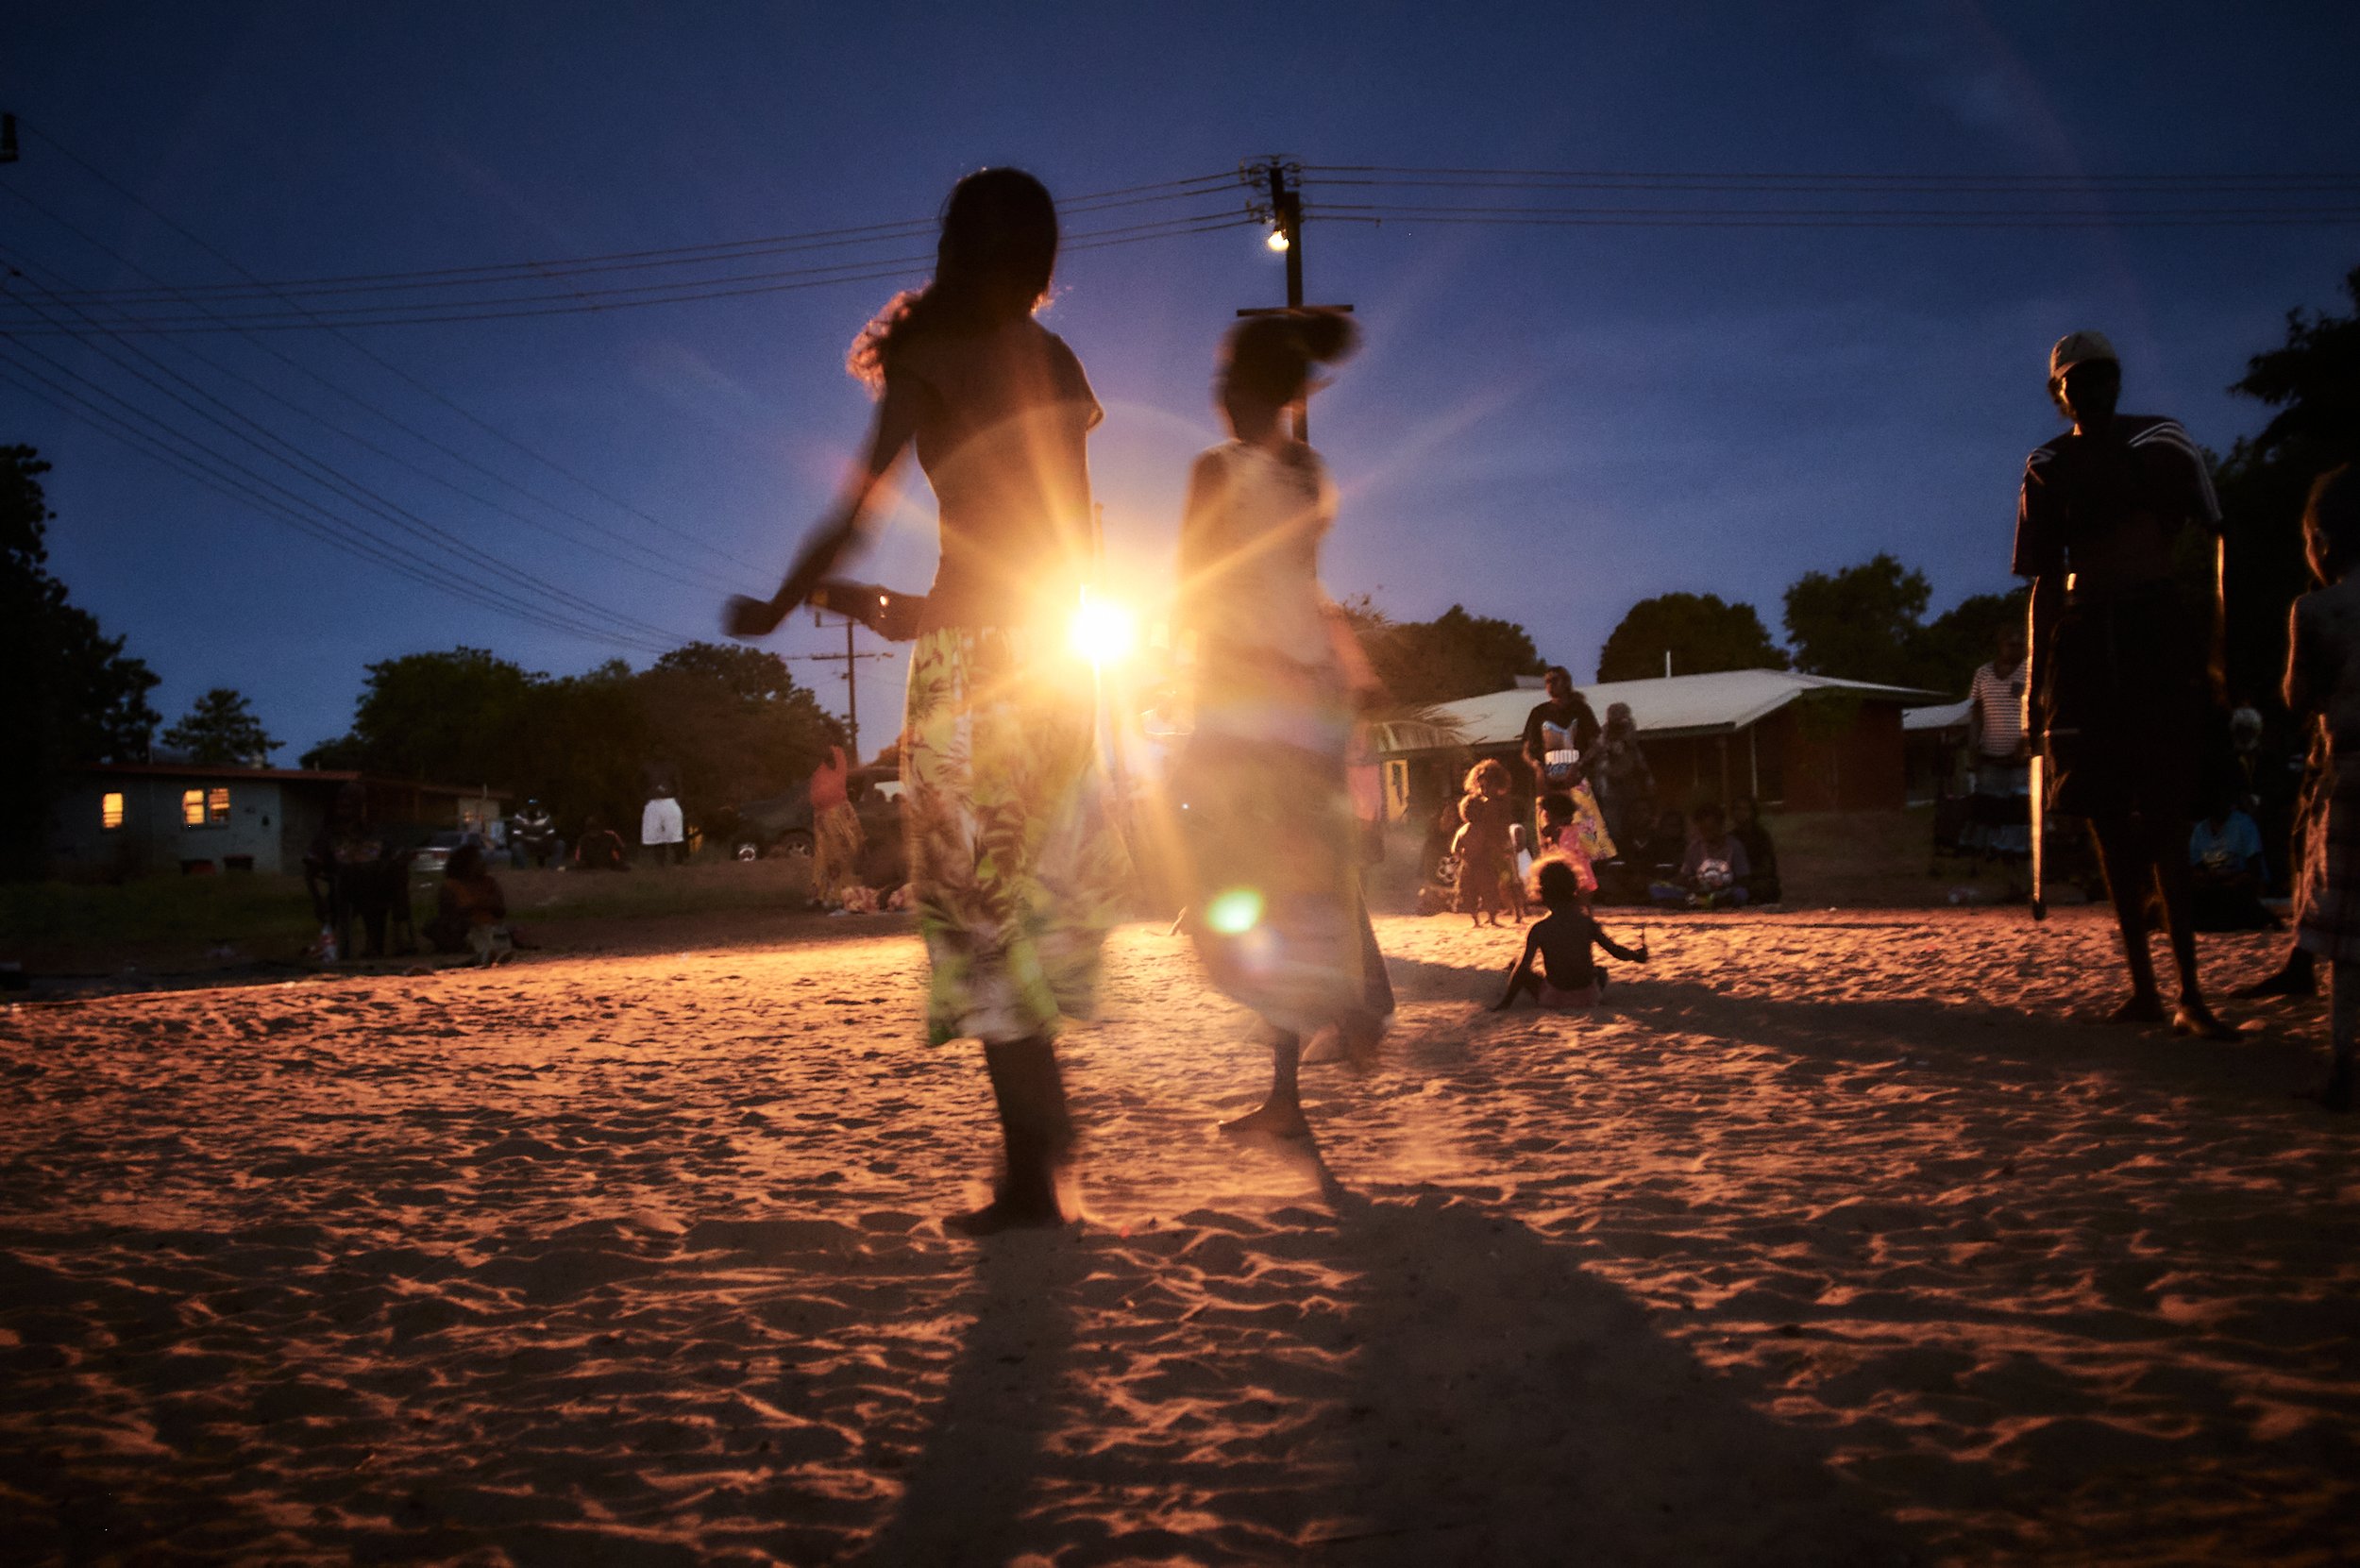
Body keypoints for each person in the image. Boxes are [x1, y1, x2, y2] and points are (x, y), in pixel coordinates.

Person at [724, 168, 1125, 1233]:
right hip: (1050, 656)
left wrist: (779, 602)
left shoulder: (932, 355)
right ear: (1036, 259)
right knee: (1017, 897)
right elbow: (1068, 534)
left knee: (969, 904)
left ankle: (1037, 1160)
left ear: (954, 246)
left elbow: (857, 509)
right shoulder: (1053, 358)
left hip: (975, 667)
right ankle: (1037, 1150)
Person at [1171, 308, 1391, 1139]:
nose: (1219, 398)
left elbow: (1195, 584)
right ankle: (1292, 1093)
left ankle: (1343, 1007)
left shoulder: (1215, 469)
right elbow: (1299, 583)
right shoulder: (1309, 471)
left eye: (1226, 384)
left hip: (1243, 701)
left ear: (1245, 391)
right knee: (1293, 881)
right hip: (1309, 701)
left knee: (1222, 875)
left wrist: (1177, 676)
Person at [2015, 329, 2236, 1038]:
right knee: (2108, 817)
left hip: (2154, 629)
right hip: (2085, 637)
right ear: (2060, 394)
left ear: (2119, 381)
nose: (2092, 391)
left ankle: (2190, 992)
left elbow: (2217, 531)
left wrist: (2219, 645)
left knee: (2167, 810)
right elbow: (2045, 581)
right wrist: (2034, 685)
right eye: (2077, 382)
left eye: (2103, 377)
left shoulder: (2162, 442)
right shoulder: (2049, 464)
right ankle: (2144, 986)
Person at [2284, 464, 2360, 1108]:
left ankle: (2344, 1063)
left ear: (2325, 544)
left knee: (2346, 939)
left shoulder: (2316, 610)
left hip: (2351, 779)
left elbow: (2297, 695)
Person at [1492, 858, 1649, 1009]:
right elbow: (1615, 950)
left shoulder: (1539, 928)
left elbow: (1522, 969)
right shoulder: (1587, 923)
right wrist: (1636, 956)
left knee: (1517, 967)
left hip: (1553, 998)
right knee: (1601, 972)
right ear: (1574, 890)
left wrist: (1505, 1002)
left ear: (1542, 893)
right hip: (1589, 996)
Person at [1966, 629, 2033, 872]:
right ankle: (1990, 862)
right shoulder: (1983, 674)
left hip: (2020, 759)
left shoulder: (2030, 671)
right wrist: (1973, 745)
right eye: (2010, 643)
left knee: (2020, 811)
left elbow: (2039, 708)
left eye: (2019, 644)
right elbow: (1977, 712)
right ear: (2000, 644)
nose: (2015, 648)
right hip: (1990, 755)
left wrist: (2026, 740)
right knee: (1989, 810)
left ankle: (2021, 863)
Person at [2187, 795, 2277, 933]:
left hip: (2239, 884)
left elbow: (2255, 870)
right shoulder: (2200, 830)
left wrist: (2228, 876)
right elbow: (2197, 869)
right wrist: (2210, 877)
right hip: (2214, 885)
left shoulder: (2243, 824)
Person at [1455, 758, 1520, 927]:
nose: (1484, 790)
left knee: (1508, 880)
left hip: (1497, 843)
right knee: (1489, 883)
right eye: (1481, 786)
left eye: (1487, 786)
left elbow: (1503, 823)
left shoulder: (1501, 802)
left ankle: (1518, 911)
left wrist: (1501, 844)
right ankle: (1498, 913)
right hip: (1485, 848)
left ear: (1496, 784)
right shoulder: (1477, 802)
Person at [424, 842, 514, 964]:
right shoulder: (451, 886)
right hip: (465, 929)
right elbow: (447, 913)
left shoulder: (489, 883)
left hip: (490, 927)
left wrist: (478, 905)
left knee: (493, 934)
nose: (483, 863)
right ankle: (476, 953)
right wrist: (476, 906)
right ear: (466, 864)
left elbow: (500, 910)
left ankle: (485, 952)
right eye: (478, 859)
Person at [1652, 801, 1749, 908]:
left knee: (1740, 893)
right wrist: (1667, 883)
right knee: (1657, 888)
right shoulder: (1694, 847)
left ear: (1721, 825)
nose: (1707, 833)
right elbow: (1684, 875)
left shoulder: (1734, 846)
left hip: (1723, 892)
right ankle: (1701, 902)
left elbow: (1743, 878)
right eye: (1703, 830)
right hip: (1699, 891)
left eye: (1711, 828)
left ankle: (1698, 903)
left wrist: (1721, 886)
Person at [1591, 700, 1656, 851]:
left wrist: (1647, 781)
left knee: (1633, 825)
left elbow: (1637, 761)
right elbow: (1600, 761)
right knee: (1612, 828)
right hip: (1609, 794)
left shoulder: (1629, 735)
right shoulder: (1603, 737)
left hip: (1630, 793)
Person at [808, 744, 865, 908]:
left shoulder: (838, 767)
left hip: (838, 815)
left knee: (844, 854)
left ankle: (839, 894)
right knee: (824, 857)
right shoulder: (820, 773)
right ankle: (823, 894)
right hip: (825, 819)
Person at [1730, 795, 1782, 905]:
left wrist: (1747, 877)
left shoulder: (1761, 836)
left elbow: (1768, 867)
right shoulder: (1731, 837)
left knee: (1765, 887)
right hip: (1736, 880)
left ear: (1753, 812)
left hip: (1757, 879)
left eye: (1745, 809)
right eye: (1737, 809)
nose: (1740, 813)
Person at [641, 782, 685, 867]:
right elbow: (638, 782)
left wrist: (678, 798)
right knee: (656, 835)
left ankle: (678, 861)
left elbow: (679, 784)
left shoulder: (672, 768)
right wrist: (644, 798)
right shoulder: (646, 768)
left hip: (670, 801)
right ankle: (660, 863)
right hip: (653, 802)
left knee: (674, 834)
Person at [513, 799, 559, 869]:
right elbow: (516, 834)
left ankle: (552, 868)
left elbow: (551, 833)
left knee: (560, 844)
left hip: (542, 842)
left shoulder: (545, 816)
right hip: (526, 844)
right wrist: (530, 840)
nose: (532, 809)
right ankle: (524, 869)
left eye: (535, 806)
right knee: (516, 846)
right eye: (530, 806)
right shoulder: (520, 816)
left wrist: (542, 840)